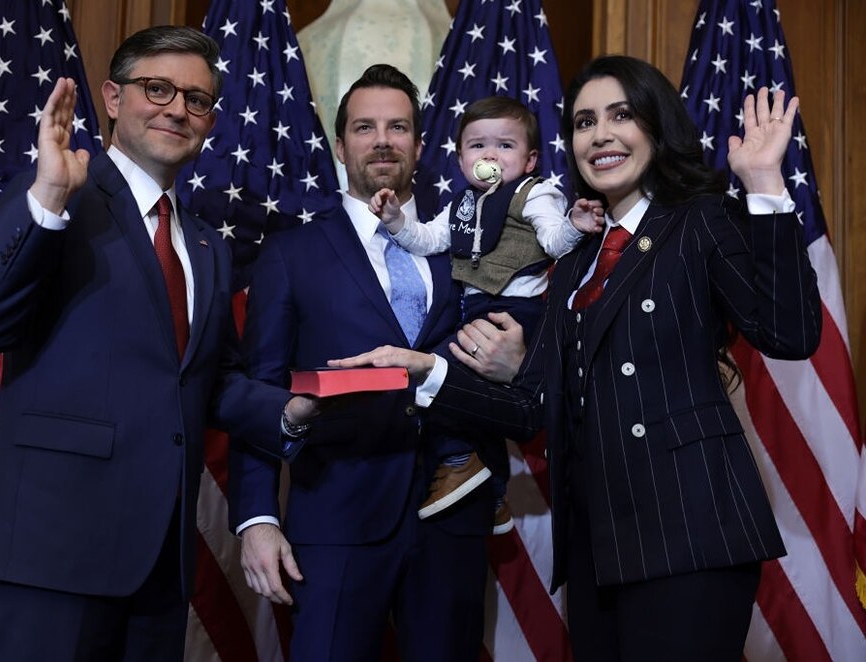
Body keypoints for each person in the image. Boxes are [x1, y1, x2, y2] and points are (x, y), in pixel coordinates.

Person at [333, 55, 821, 661]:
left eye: (622, 114)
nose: (602, 134)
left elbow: (789, 332)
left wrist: (766, 186)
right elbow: (531, 407)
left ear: (656, 126)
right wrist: (426, 371)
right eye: (586, 121)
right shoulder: (571, 263)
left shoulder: (699, 220)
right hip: (596, 542)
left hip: (692, 534)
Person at [0, 26, 316, 661]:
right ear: (113, 99)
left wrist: (287, 412)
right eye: (158, 88)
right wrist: (48, 200)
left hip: (158, 564)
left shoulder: (206, 243)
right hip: (50, 552)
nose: (177, 108)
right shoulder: (59, 192)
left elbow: (209, 378)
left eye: (196, 99)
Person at [228, 64, 492, 661]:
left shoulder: (470, 247)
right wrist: (257, 517)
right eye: (364, 127)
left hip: (450, 518)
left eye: (398, 127)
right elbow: (260, 392)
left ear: (420, 146)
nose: (382, 140)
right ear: (341, 143)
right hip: (334, 521)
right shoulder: (291, 254)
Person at [371, 96, 603, 530]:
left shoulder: (536, 195)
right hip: (476, 309)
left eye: (505, 146)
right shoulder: (462, 204)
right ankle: (491, 487)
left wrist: (575, 222)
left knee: (444, 380)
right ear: (460, 158)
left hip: (519, 313)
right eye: (478, 146)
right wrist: (394, 220)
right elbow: (426, 239)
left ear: (531, 158)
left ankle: (460, 461)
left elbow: (554, 241)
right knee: (480, 404)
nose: (490, 155)